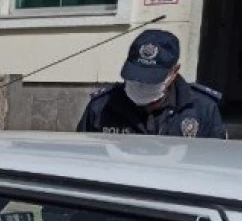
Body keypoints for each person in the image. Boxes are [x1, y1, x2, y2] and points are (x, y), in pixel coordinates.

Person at [77, 29, 226, 139]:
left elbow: (214, 163)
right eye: (136, 76)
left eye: (151, 78)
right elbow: (81, 160)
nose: (142, 84)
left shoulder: (202, 109)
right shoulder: (101, 108)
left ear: (174, 72)